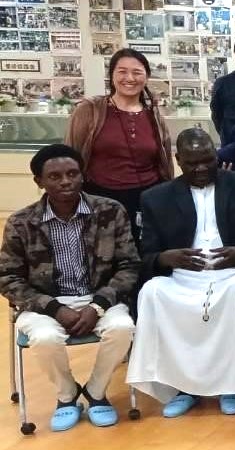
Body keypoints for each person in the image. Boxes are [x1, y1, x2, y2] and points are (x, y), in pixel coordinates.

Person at [128, 129, 235, 417]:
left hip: (233, 272)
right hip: (182, 275)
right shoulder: (156, 197)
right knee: (152, 292)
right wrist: (166, 258)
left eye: (208, 160)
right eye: (192, 163)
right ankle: (183, 387)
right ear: (178, 160)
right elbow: (146, 254)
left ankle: (231, 386)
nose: (202, 168)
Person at [0, 145, 139, 431]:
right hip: (43, 304)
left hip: (100, 299)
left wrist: (98, 304)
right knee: (45, 338)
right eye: (54, 176)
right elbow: (8, 277)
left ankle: (97, 392)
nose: (65, 181)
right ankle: (67, 396)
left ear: (82, 175)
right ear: (39, 181)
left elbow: (129, 266)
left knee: (123, 328)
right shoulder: (21, 222)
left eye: (72, 174)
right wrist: (54, 308)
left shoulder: (110, 211)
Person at [65, 49, 174, 241]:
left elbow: (163, 161)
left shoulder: (153, 114)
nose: (129, 78)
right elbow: (71, 156)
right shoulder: (90, 109)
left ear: (146, 77)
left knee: (142, 257)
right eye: (122, 71)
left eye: (137, 72)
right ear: (112, 76)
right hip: (99, 198)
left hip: (146, 199)